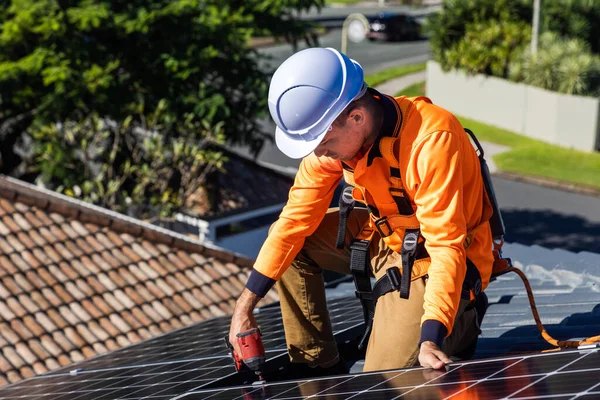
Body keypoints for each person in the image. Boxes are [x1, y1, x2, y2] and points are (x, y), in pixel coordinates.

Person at [228, 47, 493, 374]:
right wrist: (244, 308)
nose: (320, 153)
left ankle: (461, 323)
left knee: (383, 382)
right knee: (292, 249)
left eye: (323, 141)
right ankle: (318, 372)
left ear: (356, 117)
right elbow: (290, 225)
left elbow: (446, 247)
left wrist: (431, 337)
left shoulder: (431, 140)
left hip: (436, 260)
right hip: (386, 237)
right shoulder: (333, 149)